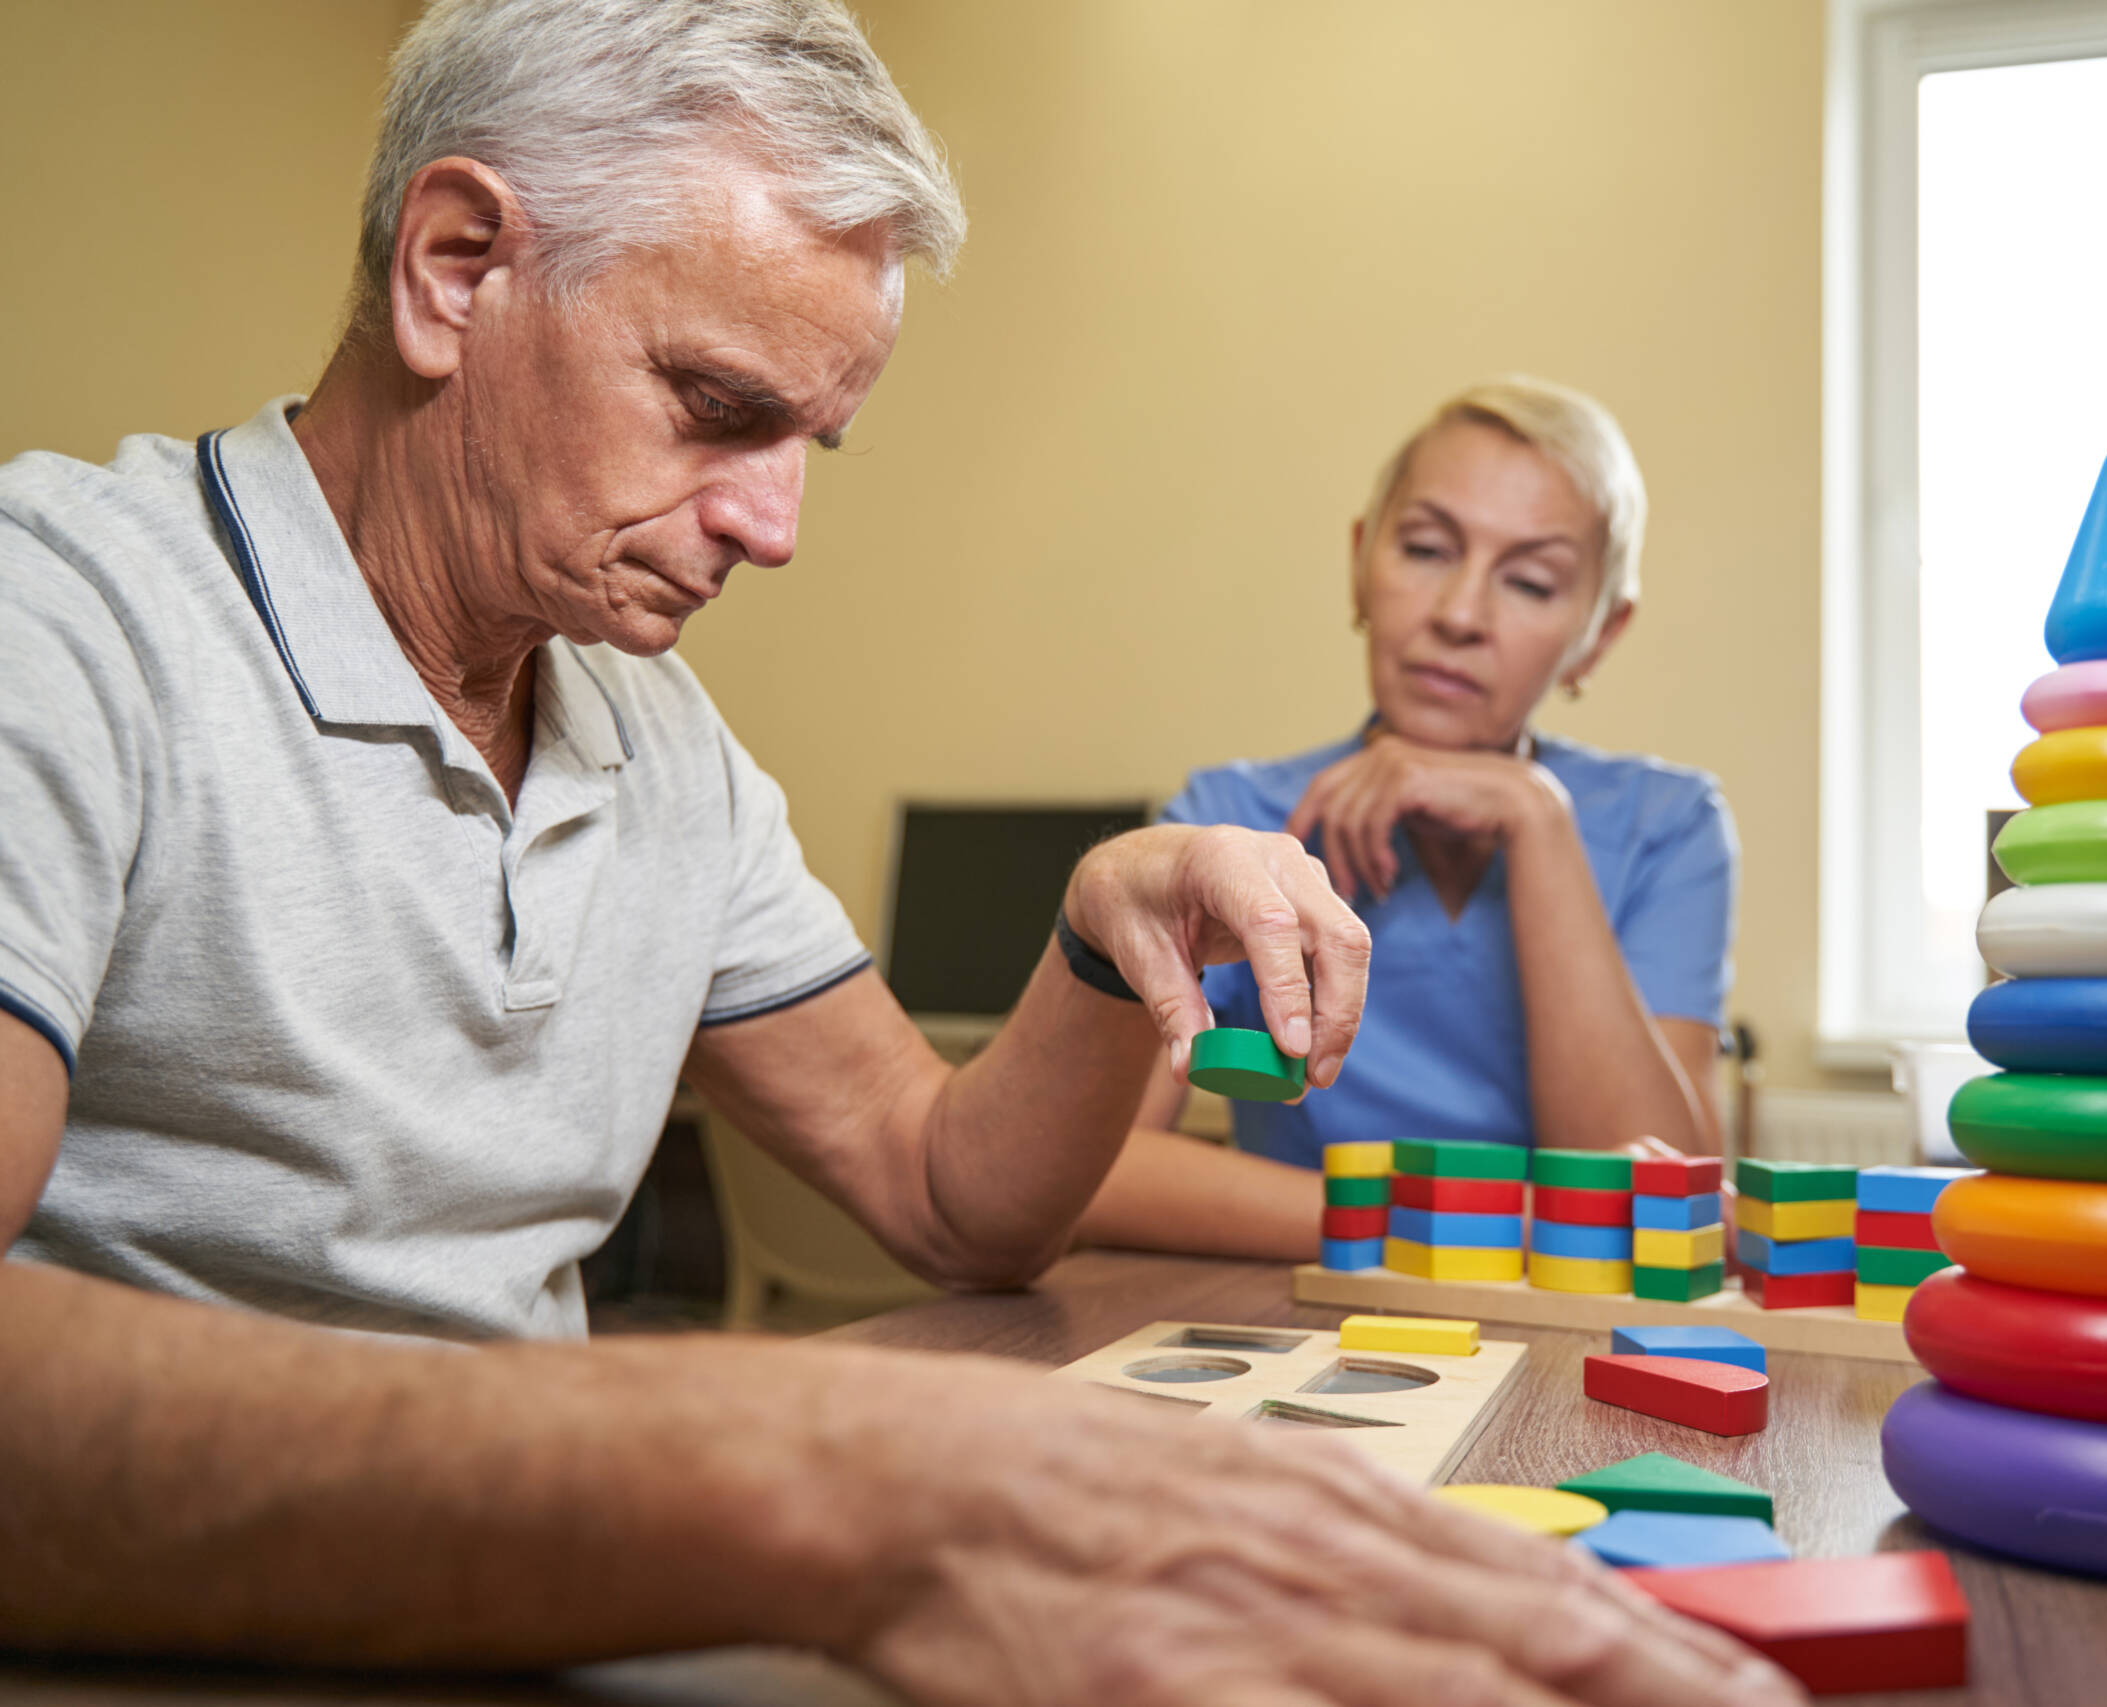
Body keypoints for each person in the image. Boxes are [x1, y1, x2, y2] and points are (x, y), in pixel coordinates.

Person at [0, 4, 1796, 1703]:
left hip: (519, 1618)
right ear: (455, 268)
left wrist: (1100, 939)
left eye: (813, 442)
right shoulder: (63, 616)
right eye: (716, 407)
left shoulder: (656, 737)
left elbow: (947, 1195)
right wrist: (798, 1463)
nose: (774, 526)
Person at [1077, 380, 1737, 1261]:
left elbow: (1665, 1210)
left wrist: (1536, 817)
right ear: (1360, 562)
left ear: (1600, 633)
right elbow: (1085, 1175)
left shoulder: (1669, 825)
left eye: (1532, 582)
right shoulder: (1229, 823)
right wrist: (1471, 1230)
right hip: (1308, 1324)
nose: (1459, 615)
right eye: (1426, 548)